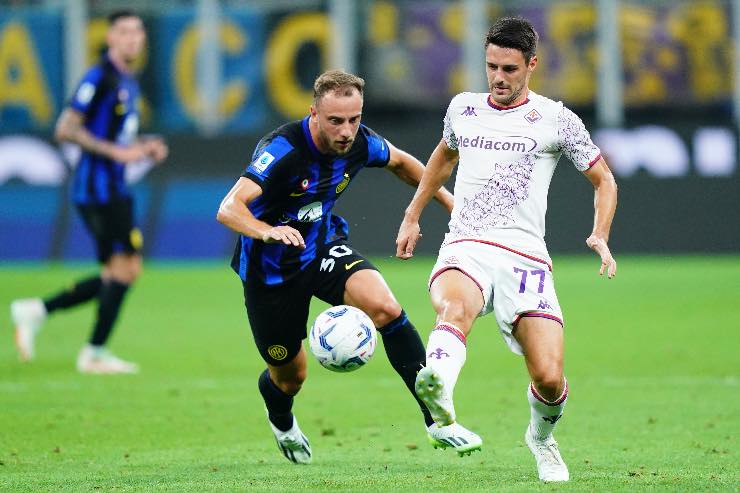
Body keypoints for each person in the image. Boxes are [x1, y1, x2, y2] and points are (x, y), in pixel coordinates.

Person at [395, 17, 618, 482]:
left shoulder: (557, 119)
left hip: (525, 256)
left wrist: (600, 233)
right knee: (454, 309)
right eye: (492, 66)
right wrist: (413, 213)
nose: (498, 78)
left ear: (532, 65)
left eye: (510, 69)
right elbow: (443, 156)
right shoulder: (463, 108)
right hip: (467, 243)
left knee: (550, 378)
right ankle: (439, 390)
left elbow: (604, 180)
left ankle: (541, 438)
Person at [216, 69, 477, 464]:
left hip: (320, 249)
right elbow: (229, 208)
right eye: (336, 120)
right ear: (314, 114)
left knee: (387, 309)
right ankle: (281, 421)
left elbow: (403, 163)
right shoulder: (282, 150)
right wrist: (267, 231)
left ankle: (438, 422)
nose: (346, 131)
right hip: (270, 273)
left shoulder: (360, 143)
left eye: (354, 119)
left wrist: (449, 203)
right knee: (290, 377)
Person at [10, 10, 167, 374]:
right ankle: (91, 351)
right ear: (110, 37)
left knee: (122, 272)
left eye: (138, 32)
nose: (132, 38)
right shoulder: (100, 77)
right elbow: (65, 128)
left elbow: (117, 137)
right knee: (125, 270)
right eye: (124, 31)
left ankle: (39, 312)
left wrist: (143, 146)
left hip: (114, 187)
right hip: (97, 190)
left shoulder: (128, 80)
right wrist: (118, 153)